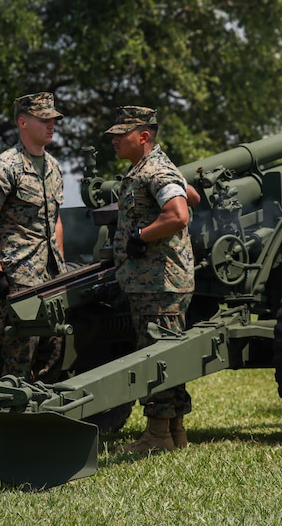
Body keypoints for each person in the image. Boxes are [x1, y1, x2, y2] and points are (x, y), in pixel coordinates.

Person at [105, 106, 195, 453]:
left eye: (121, 133)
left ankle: (157, 437)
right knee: (168, 353)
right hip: (156, 281)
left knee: (157, 355)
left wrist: (141, 235)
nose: (114, 139)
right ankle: (174, 432)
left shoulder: (154, 169)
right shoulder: (153, 167)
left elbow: (178, 213)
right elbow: (191, 196)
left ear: (143, 137)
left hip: (159, 282)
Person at [0, 92, 67, 381]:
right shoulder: (5, 167)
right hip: (18, 275)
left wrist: (60, 265)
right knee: (20, 348)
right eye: (44, 120)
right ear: (23, 122)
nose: (51, 125)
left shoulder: (53, 166)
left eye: (54, 120)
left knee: (54, 345)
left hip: (52, 273)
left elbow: (55, 219)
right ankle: (14, 412)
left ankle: (46, 413)